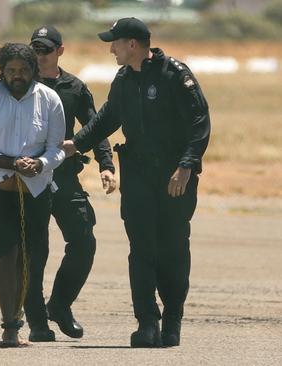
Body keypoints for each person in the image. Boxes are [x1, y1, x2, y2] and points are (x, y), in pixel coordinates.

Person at [62, 17, 211, 348]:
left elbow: (200, 122)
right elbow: (107, 118)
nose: (111, 48)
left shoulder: (175, 75)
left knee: (172, 248)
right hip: (139, 175)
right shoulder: (124, 78)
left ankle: (172, 319)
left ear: (132, 44)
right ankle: (147, 323)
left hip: (174, 176)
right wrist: (77, 143)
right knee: (141, 249)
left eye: (114, 42)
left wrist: (186, 166)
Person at [0, 43, 66, 348]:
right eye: (11, 71)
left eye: (23, 70)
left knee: (26, 257)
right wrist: (13, 163)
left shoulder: (49, 99)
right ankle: (9, 326)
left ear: (33, 70)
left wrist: (40, 163)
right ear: (2, 71)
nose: (17, 76)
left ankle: (17, 320)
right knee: (6, 255)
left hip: (34, 191)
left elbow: (57, 148)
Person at [25, 26, 117, 342]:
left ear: (60, 51)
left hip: (64, 176)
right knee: (34, 251)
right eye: (35, 49)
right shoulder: (21, 84)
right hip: (27, 177)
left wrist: (107, 165)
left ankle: (60, 305)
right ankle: (36, 321)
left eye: (45, 50)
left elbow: (95, 127)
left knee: (83, 241)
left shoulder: (74, 88)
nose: (39, 56)